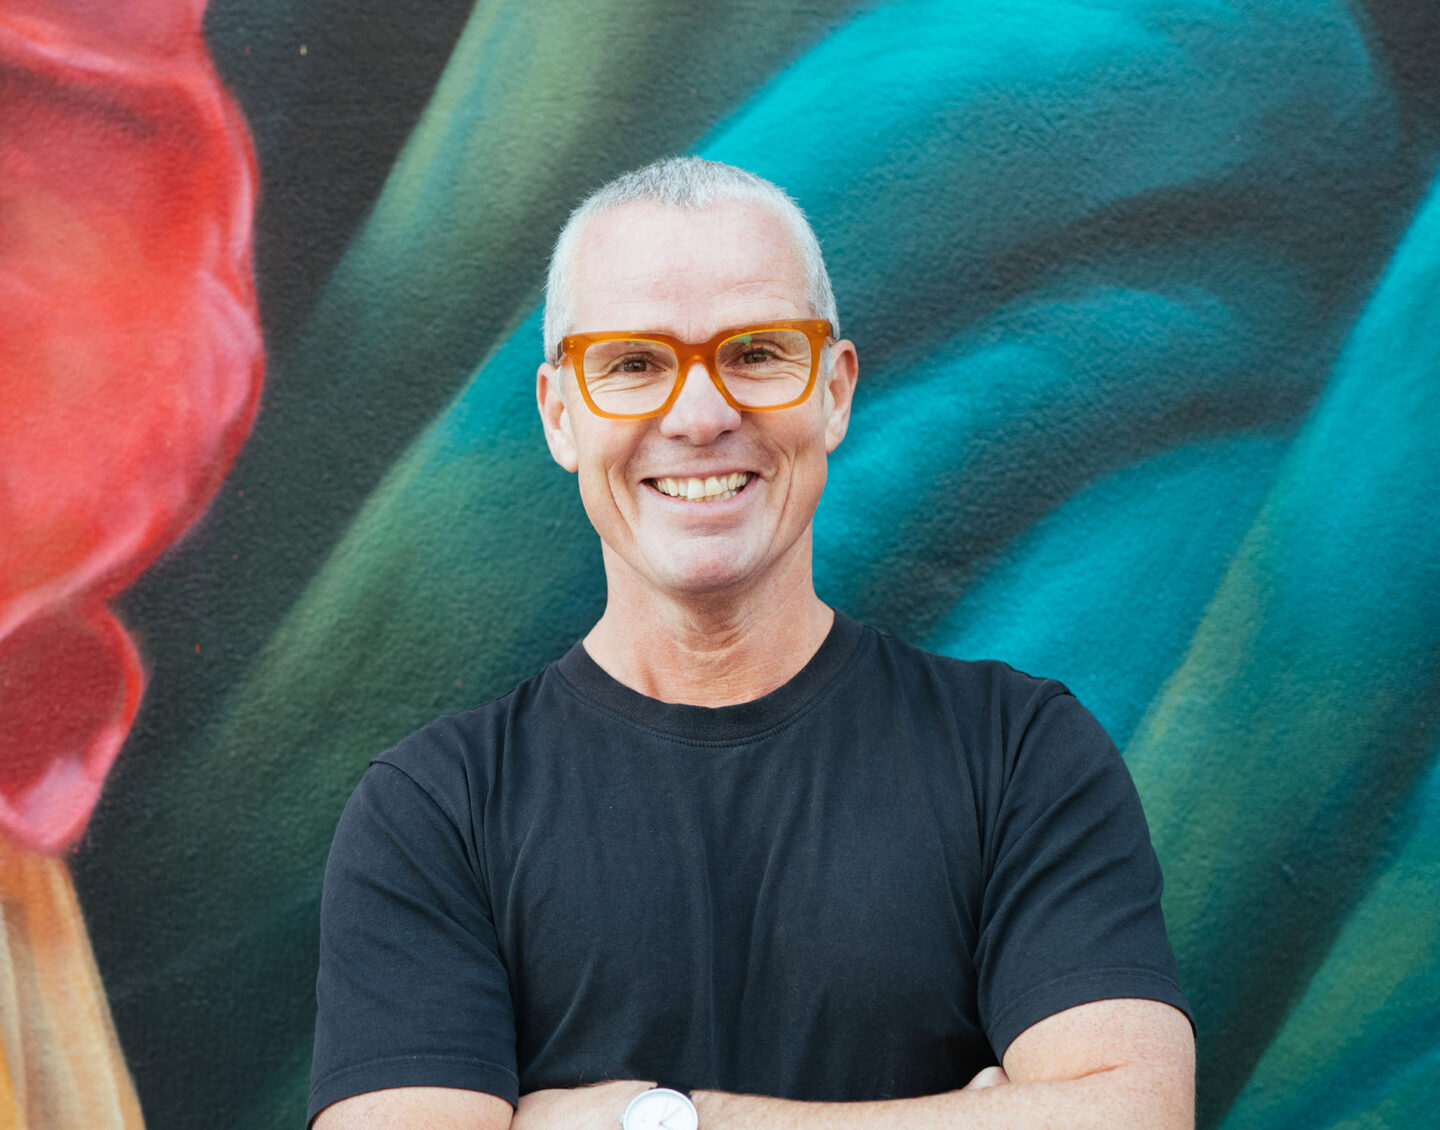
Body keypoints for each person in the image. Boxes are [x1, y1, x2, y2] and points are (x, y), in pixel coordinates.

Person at [308, 157, 1195, 1130]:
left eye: (757, 354)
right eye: (634, 364)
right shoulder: (436, 811)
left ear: (835, 389)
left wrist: (659, 1119)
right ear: (561, 413)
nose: (698, 416)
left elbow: (1133, 1114)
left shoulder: (1021, 755)